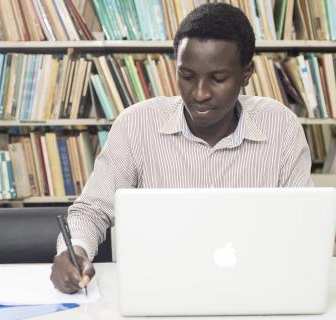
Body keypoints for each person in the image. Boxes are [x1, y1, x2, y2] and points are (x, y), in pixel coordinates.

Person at [50, 3, 313, 293]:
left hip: (255, 287)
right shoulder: (136, 124)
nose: (199, 93)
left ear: (247, 72)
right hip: (157, 289)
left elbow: (305, 223)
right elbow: (92, 210)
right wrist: (75, 251)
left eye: (218, 78)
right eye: (186, 76)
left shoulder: (281, 127)